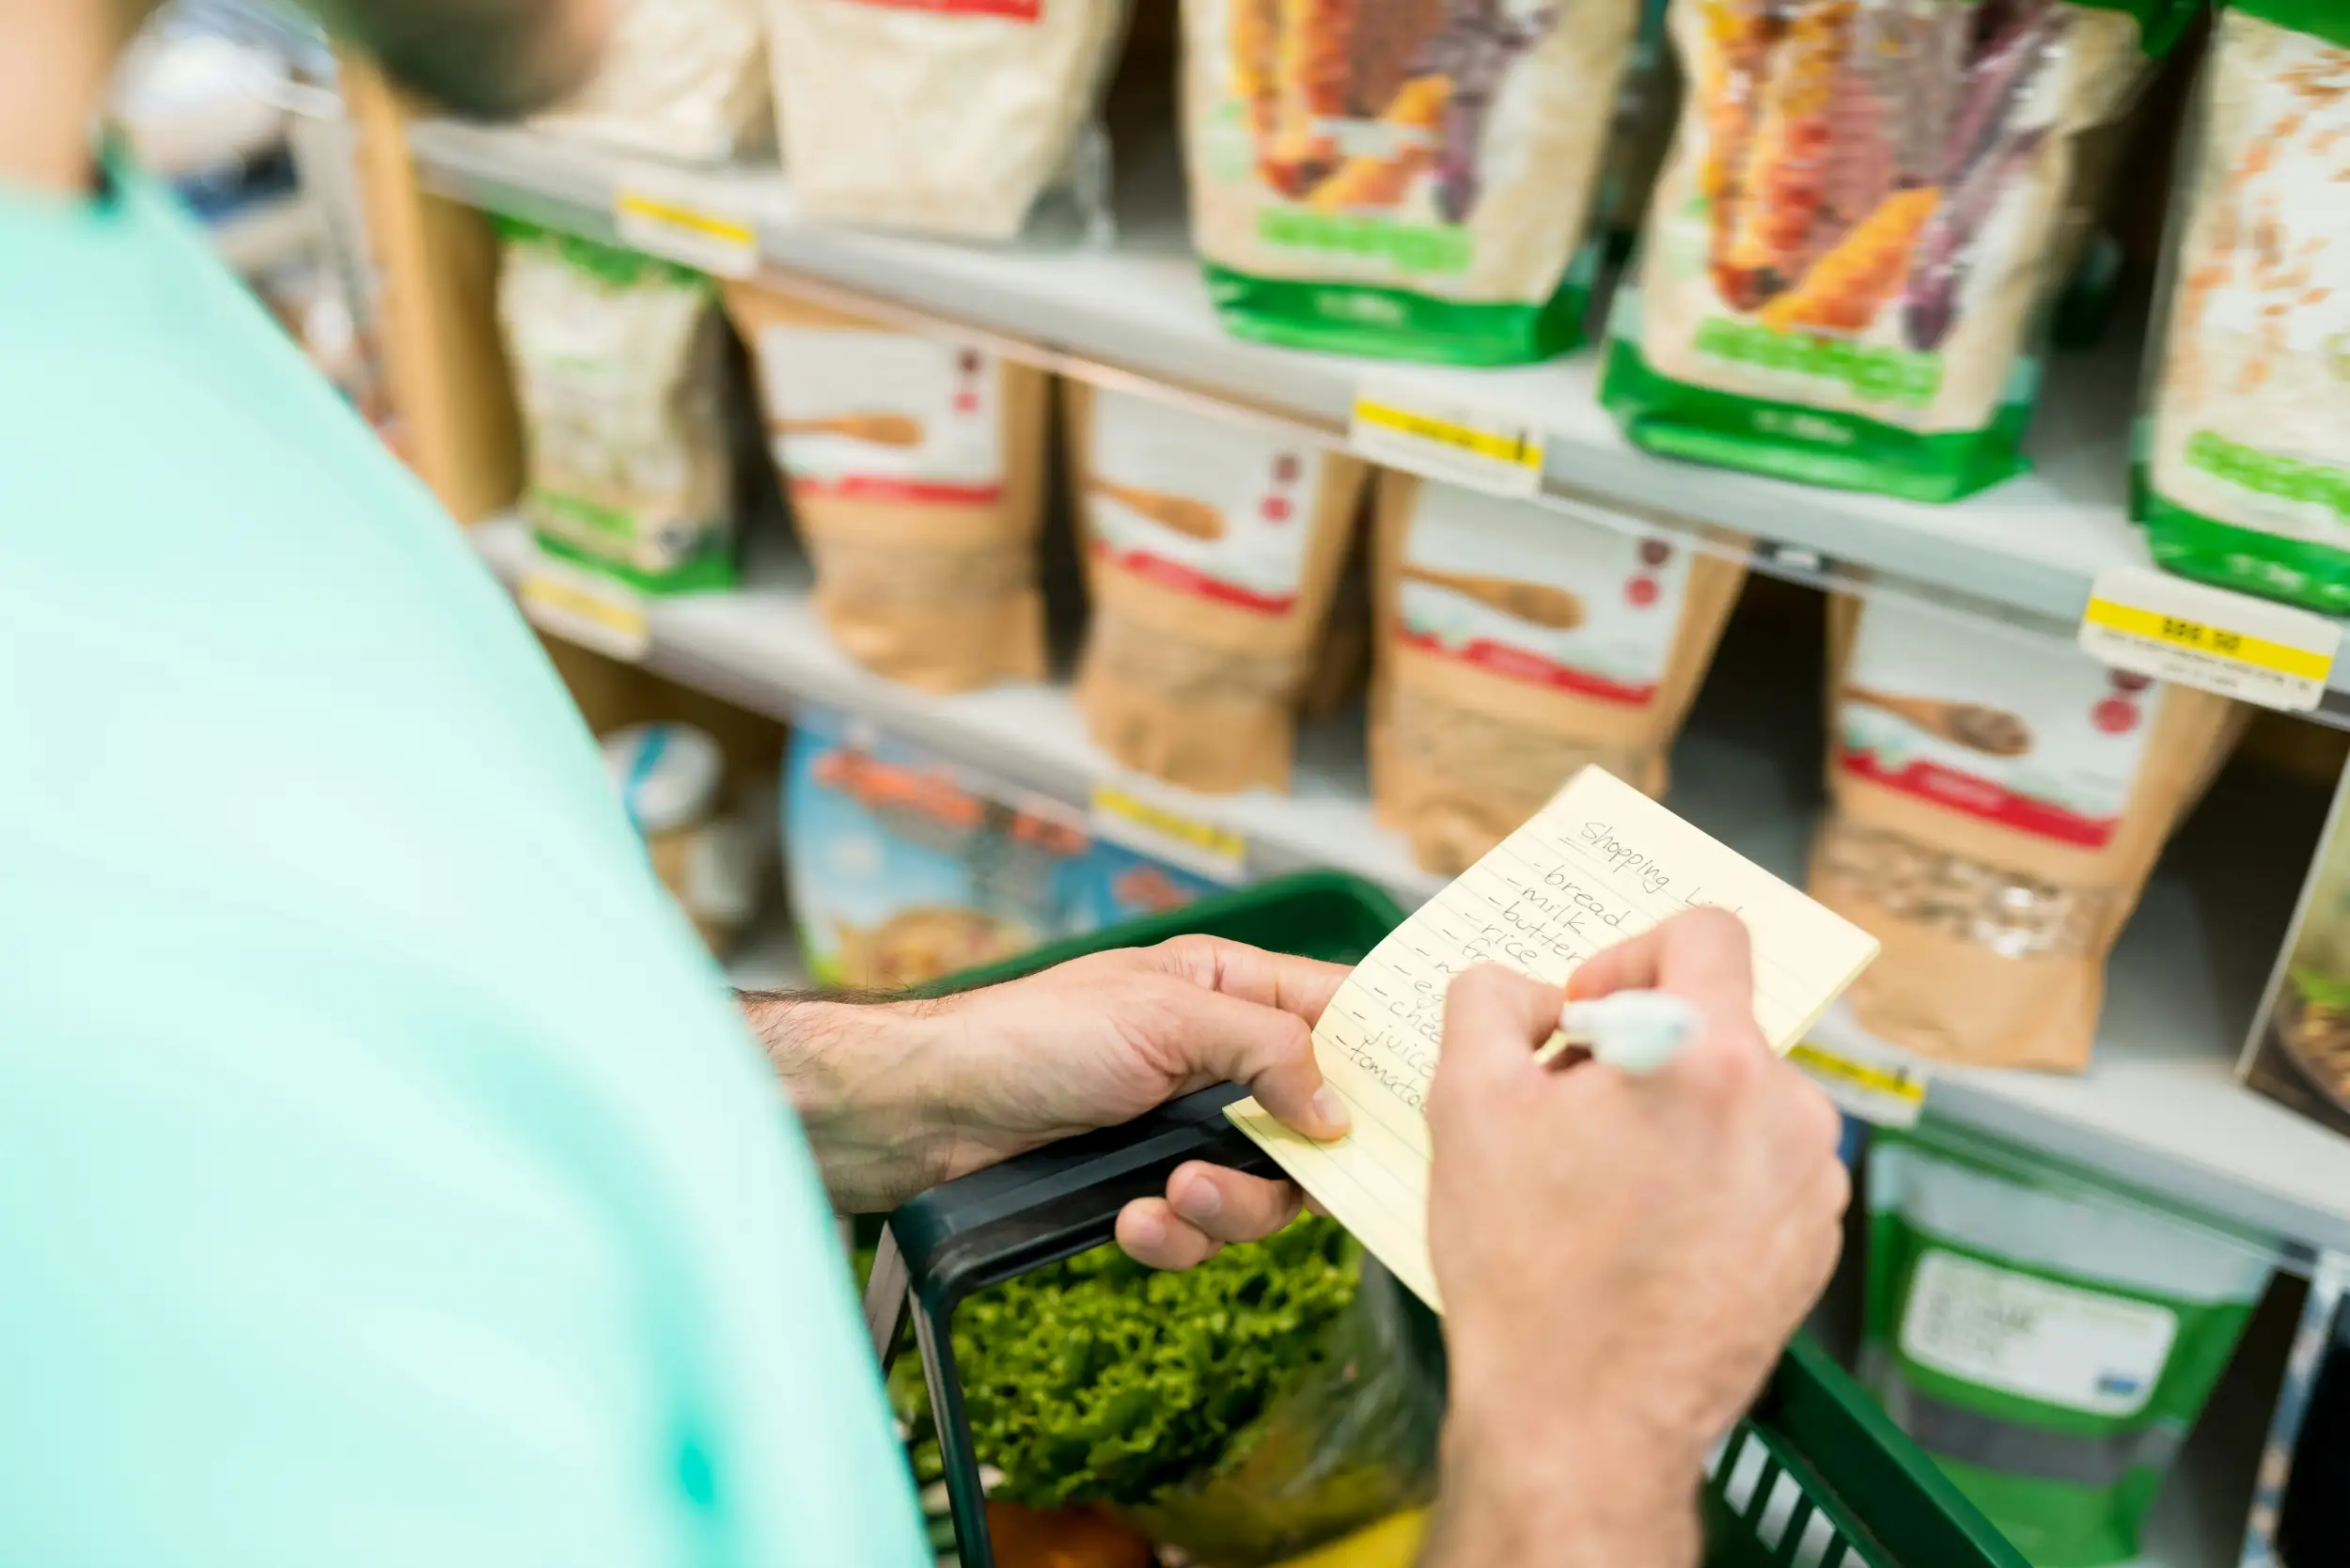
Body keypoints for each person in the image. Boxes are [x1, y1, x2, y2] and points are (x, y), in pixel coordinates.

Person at [0, 3, 1849, 1564]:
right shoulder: (116, 1075)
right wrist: (1582, 1433)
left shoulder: (99, 266)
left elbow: (378, 1079)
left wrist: (873, 1089)